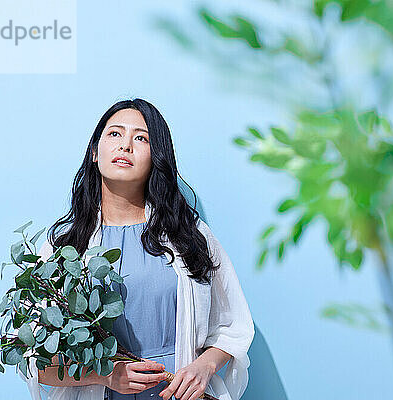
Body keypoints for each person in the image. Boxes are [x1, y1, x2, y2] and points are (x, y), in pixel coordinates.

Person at [18, 98, 255, 400]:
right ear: (95, 151)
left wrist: (204, 367)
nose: (125, 145)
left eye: (141, 138)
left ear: (156, 156)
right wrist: (105, 374)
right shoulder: (63, 248)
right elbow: (33, 358)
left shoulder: (189, 235)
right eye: (114, 134)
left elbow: (233, 326)